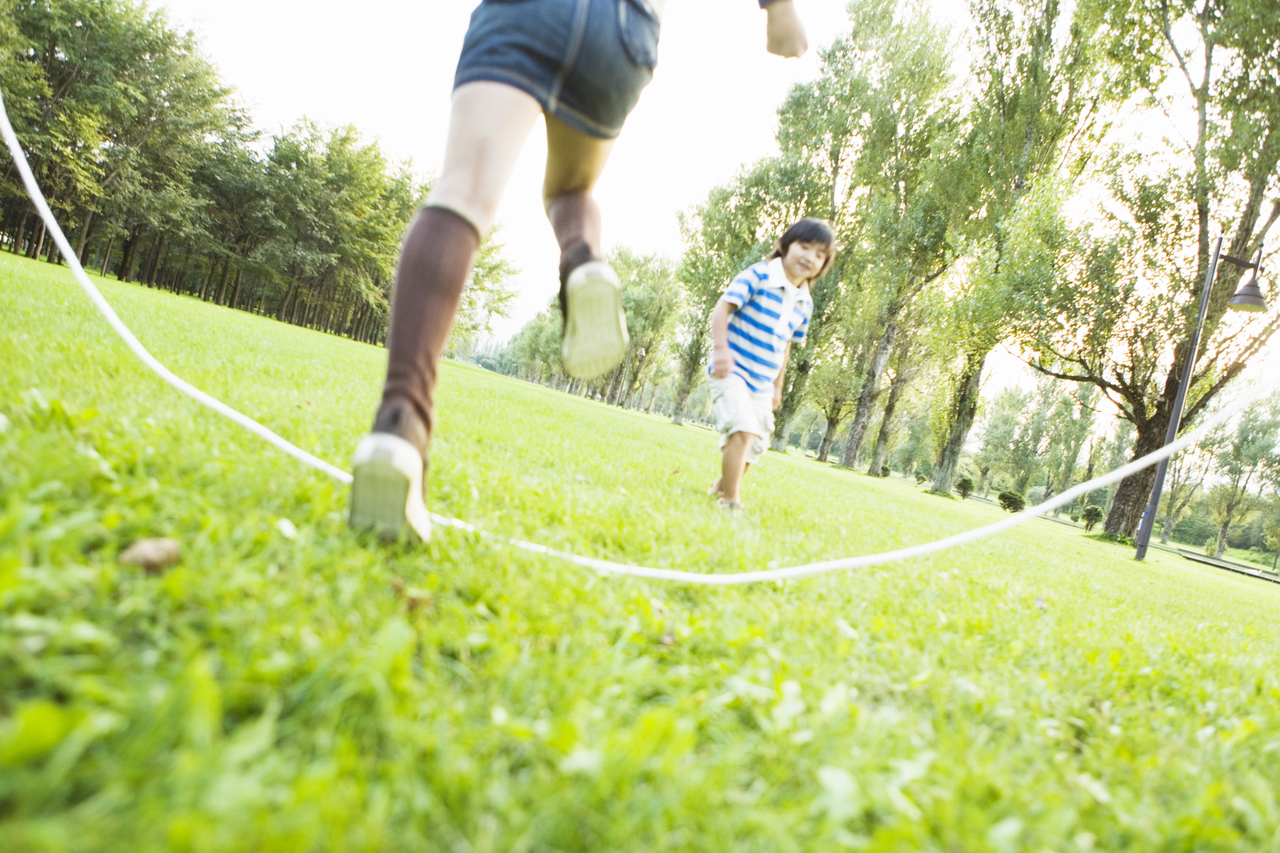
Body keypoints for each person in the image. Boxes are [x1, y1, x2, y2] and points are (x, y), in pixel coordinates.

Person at [349, 0, 813, 540]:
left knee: (464, 193)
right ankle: (582, 257)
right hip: (621, 29)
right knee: (571, 188)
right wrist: (778, 8)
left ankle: (401, 423)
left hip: (528, 10)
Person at [706, 217, 835, 510]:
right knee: (743, 429)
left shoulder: (805, 302)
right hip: (732, 369)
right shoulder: (760, 275)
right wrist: (720, 349)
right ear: (785, 245)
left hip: (763, 382)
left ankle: (721, 487)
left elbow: (785, 345)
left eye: (819, 254)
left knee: (756, 443)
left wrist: (778, 386)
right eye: (805, 246)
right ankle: (731, 501)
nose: (810, 258)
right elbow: (722, 307)